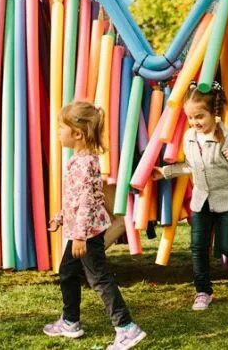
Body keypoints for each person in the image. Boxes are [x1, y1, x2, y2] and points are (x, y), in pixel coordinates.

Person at [43, 101, 146, 349]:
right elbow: (76, 199)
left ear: (77, 134)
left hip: (86, 234)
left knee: (99, 279)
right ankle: (70, 321)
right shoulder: (78, 160)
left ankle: (126, 328)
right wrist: (60, 217)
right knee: (67, 272)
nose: (57, 131)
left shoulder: (86, 163)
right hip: (80, 231)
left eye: (60, 127)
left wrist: (79, 236)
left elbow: (88, 202)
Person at [152, 81, 228, 311]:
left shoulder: (227, 138)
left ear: (213, 113)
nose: (195, 122)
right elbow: (190, 166)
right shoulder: (189, 137)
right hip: (201, 200)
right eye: (191, 117)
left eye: (200, 117)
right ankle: (203, 291)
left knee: (227, 245)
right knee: (198, 247)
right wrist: (166, 172)